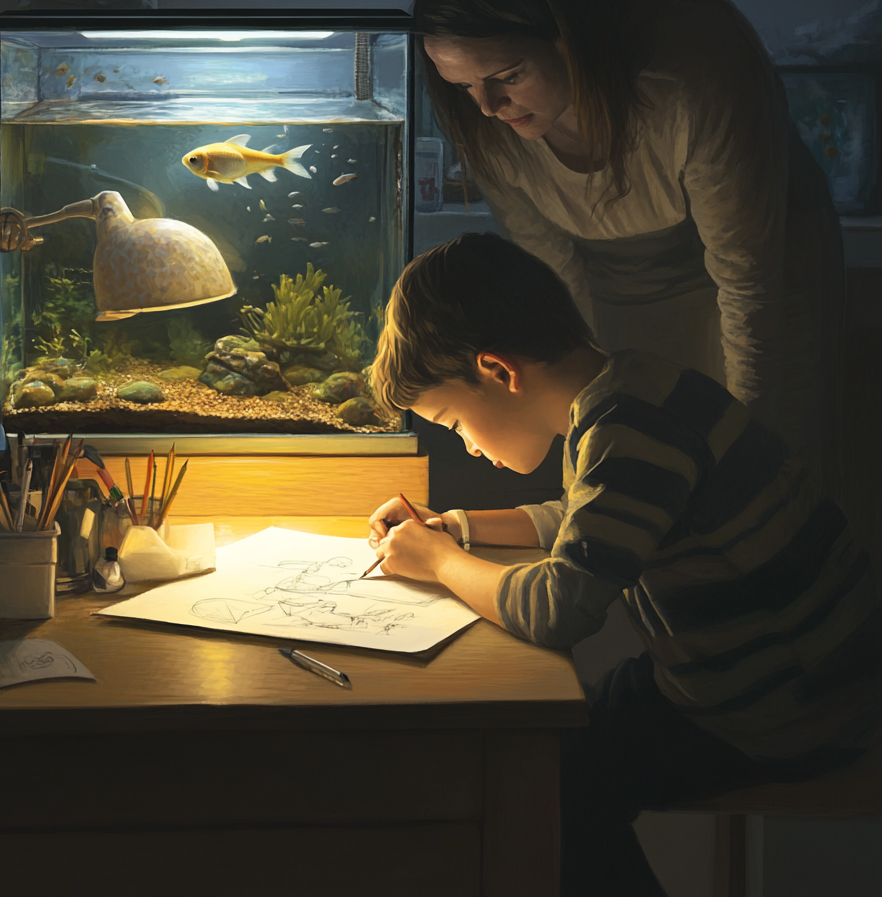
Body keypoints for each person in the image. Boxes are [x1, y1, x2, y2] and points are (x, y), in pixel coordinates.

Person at [367, 233, 880, 897]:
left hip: (788, 704)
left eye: (452, 422)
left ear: (497, 370)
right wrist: (458, 528)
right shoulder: (633, 392)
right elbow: (584, 520)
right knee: (555, 748)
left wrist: (439, 562)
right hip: (768, 673)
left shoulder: (622, 432)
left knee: (547, 788)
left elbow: (558, 610)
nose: (464, 447)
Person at [414, 0, 844, 498]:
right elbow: (556, 305)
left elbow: (748, 288)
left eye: (507, 75)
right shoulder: (488, 120)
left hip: (763, 285)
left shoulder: (694, 69)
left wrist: (749, 462)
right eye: (464, 87)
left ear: (572, 34)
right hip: (613, 293)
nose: (487, 106)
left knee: (765, 484)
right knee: (637, 474)